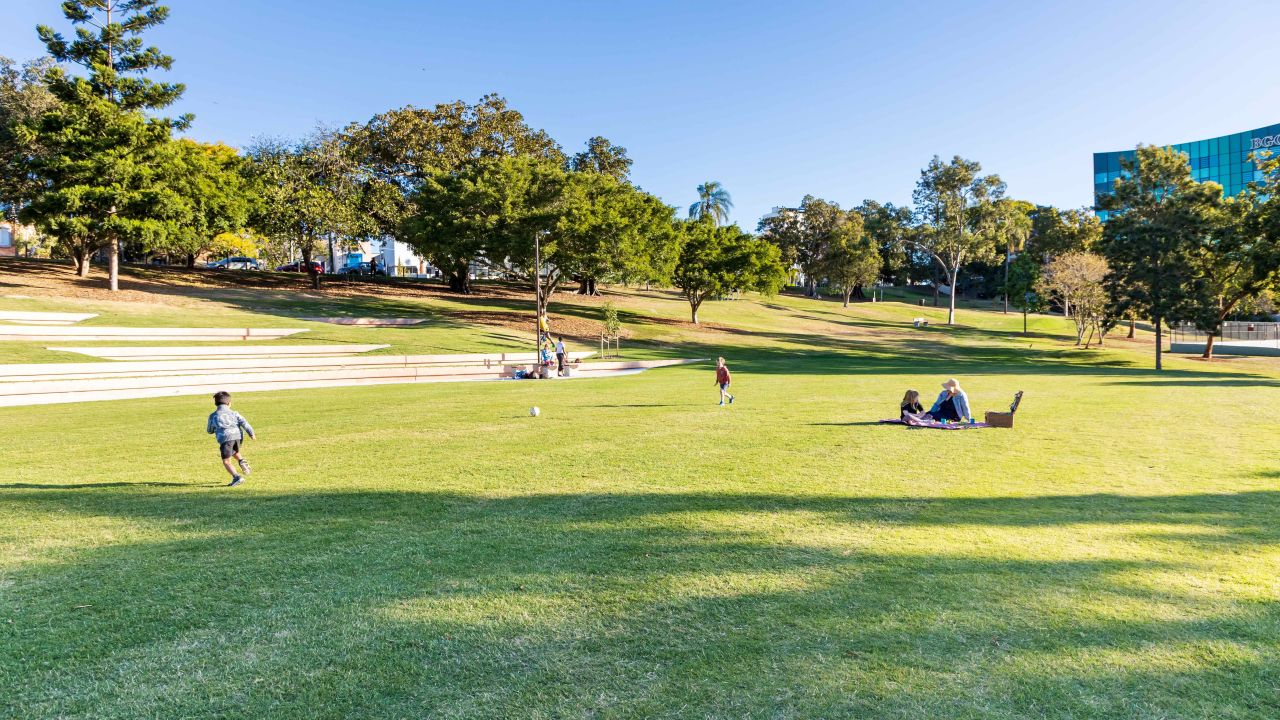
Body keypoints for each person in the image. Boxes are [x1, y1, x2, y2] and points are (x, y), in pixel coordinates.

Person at [206, 391, 256, 486]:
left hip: (225, 438)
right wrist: (251, 433)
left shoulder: (213, 416)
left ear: (215, 403)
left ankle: (237, 477)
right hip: (238, 436)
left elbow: (209, 430)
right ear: (229, 403)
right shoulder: (235, 413)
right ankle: (242, 462)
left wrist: (215, 429)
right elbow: (245, 423)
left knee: (226, 461)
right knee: (234, 451)